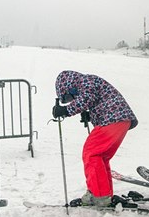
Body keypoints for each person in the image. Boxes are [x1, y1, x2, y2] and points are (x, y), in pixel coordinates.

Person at [52, 70, 138, 207]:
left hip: (112, 119)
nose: (71, 101)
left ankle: (99, 196)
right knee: (100, 157)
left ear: (70, 86)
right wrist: (90, 115)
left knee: (91, 153)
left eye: (68, 97)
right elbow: (95, 100)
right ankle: (103, 193)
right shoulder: (88, 83)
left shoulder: (86, 81)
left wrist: (66, 110)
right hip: (119, 120)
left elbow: (87, 98)